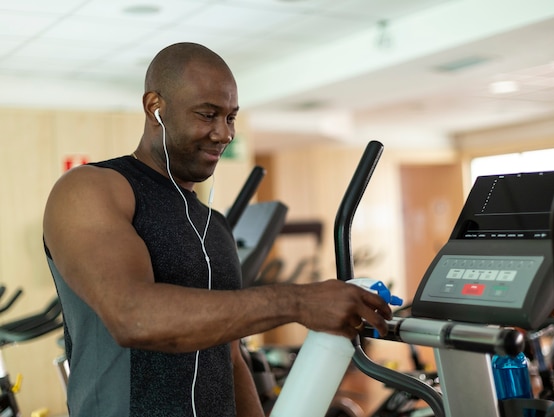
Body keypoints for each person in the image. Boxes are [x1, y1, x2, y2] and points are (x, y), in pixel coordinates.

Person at [42, 42, 392, 417]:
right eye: (208, 115)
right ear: (154, 107)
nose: (224, 133)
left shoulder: (215, 224)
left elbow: (231, 357)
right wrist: (298, 302)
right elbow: (132, 316)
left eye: (230, 117)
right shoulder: (91, 188)